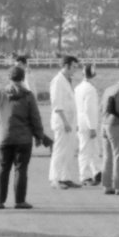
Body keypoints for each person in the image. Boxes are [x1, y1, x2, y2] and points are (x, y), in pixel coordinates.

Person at [0, 65, 52, 210]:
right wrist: (39, 136)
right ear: (23, 78)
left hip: (4, 137)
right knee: (21, 170)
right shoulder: (28, 95)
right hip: (23, 139)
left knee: (3, 169)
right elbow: (35, 118)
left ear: (8, 77)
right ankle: (19, 200)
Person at [48, 55, 82, 189]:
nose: (75, 70)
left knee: (69, 150)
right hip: (63, 121)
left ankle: (65, 177)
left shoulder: (67, 80)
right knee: (60, 150)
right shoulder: (57, 81)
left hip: (71, 120)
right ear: (66, 66)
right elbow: (57, 104)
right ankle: (55, 178)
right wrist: (65, 121)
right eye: (73, 67)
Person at [74, 63, 102, 186]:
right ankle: (85, 175)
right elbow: (89, 109)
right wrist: (92, 127)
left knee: (92, 148)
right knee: (86, 149)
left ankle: (97, 171)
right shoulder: (90, 89)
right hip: (87, 122)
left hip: (81, 120)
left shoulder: (78, 87)